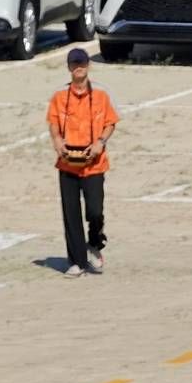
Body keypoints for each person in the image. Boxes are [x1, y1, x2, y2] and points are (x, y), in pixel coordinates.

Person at [47, 47, 119, 278]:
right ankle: (76, 261)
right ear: (69, 68)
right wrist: (57, 140)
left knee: (95, 210)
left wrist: (100, 142)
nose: (79, 67)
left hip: (94, 162)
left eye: (82, 63)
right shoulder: (60, 96)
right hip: (68, 162)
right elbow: (53, 122)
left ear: (89, 65)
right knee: (71, 213)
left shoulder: (100, 95)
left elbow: (110, 122)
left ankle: (95, 242)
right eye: (74, 63)